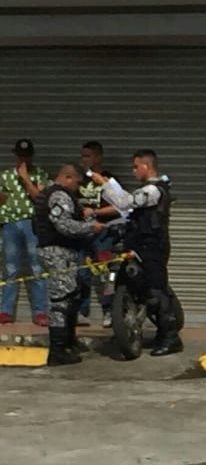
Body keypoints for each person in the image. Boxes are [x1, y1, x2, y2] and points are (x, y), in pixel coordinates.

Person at [92, 150, 182, 356]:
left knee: (156, 292)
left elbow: (125, 203)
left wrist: (104, 185)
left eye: (135, 167)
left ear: (146, 166)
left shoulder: (153, 191)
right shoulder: (149, 189)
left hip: (152, 248)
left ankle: (171, 338)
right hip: (141, 246)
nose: (133, 171)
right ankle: (157, 332)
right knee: (144, 288)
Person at [34, 164, 106, 366]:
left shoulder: (50, 193)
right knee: (62, 300)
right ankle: (58, 350)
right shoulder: (59, 196)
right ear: (67, 178)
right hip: (57, 252)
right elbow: (64, 226)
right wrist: (92, 227)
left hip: (61, 251)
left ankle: (68, 342)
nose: (77, 188)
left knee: (72, 297)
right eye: (76, 183)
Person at [0, 139, 50, 327]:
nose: (23, 159)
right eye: (20, 155)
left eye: (27, 155)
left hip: (32, 223)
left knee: (37, 267)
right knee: (11, 269)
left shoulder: (40, 175)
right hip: (11, 224)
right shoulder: (4, 176)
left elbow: (39, 198)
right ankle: (5, 311)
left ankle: (40, 311)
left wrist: (26, 179)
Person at [77, 141, 120, 327]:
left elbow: (121, 206)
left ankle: (110, 311)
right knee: (81, 273)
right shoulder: (78, 179)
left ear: (98, 157)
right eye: (82, 156)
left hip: (103, 235)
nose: (84, 160)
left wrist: (95, 213)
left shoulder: (108, 180)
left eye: (88, 156)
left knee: (106, 274)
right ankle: (81, 311)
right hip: (82, 234)